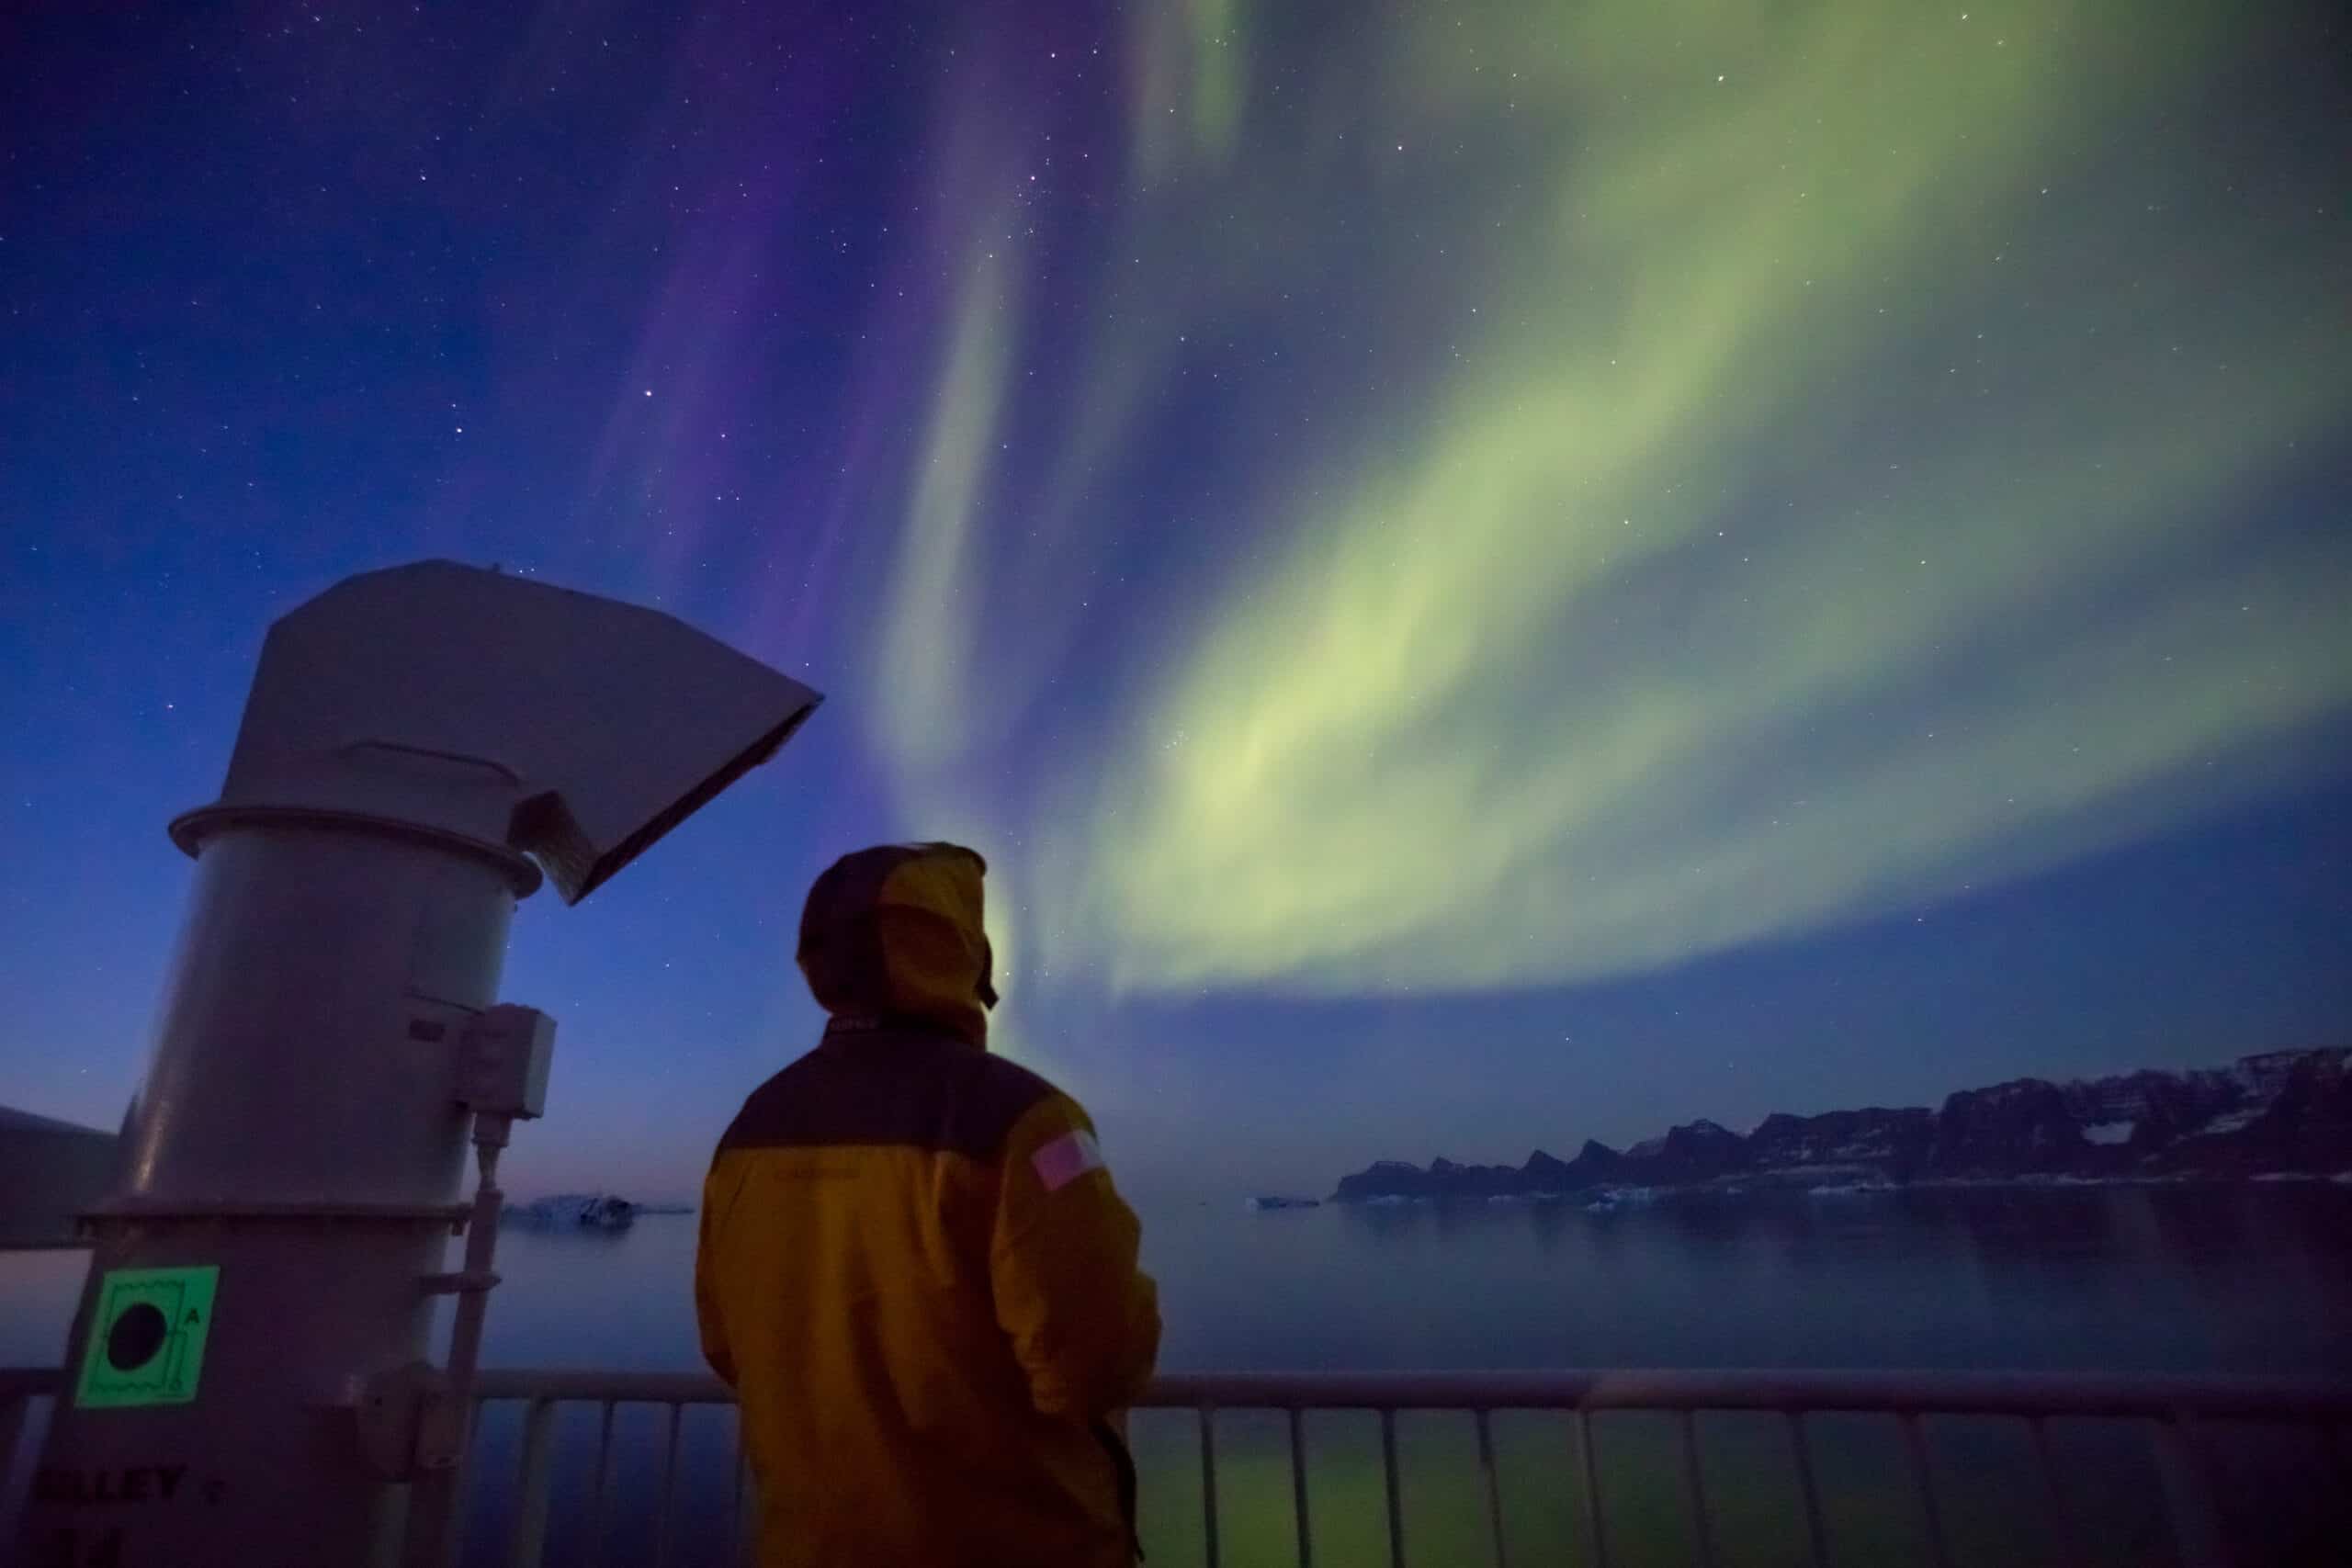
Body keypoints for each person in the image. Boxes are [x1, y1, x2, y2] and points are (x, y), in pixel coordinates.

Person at [695, 841, 1161, 1567]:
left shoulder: (748, 1132)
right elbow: (1096, 1357)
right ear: (961, 953)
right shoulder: (1030, 1120)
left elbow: (726, 1345)